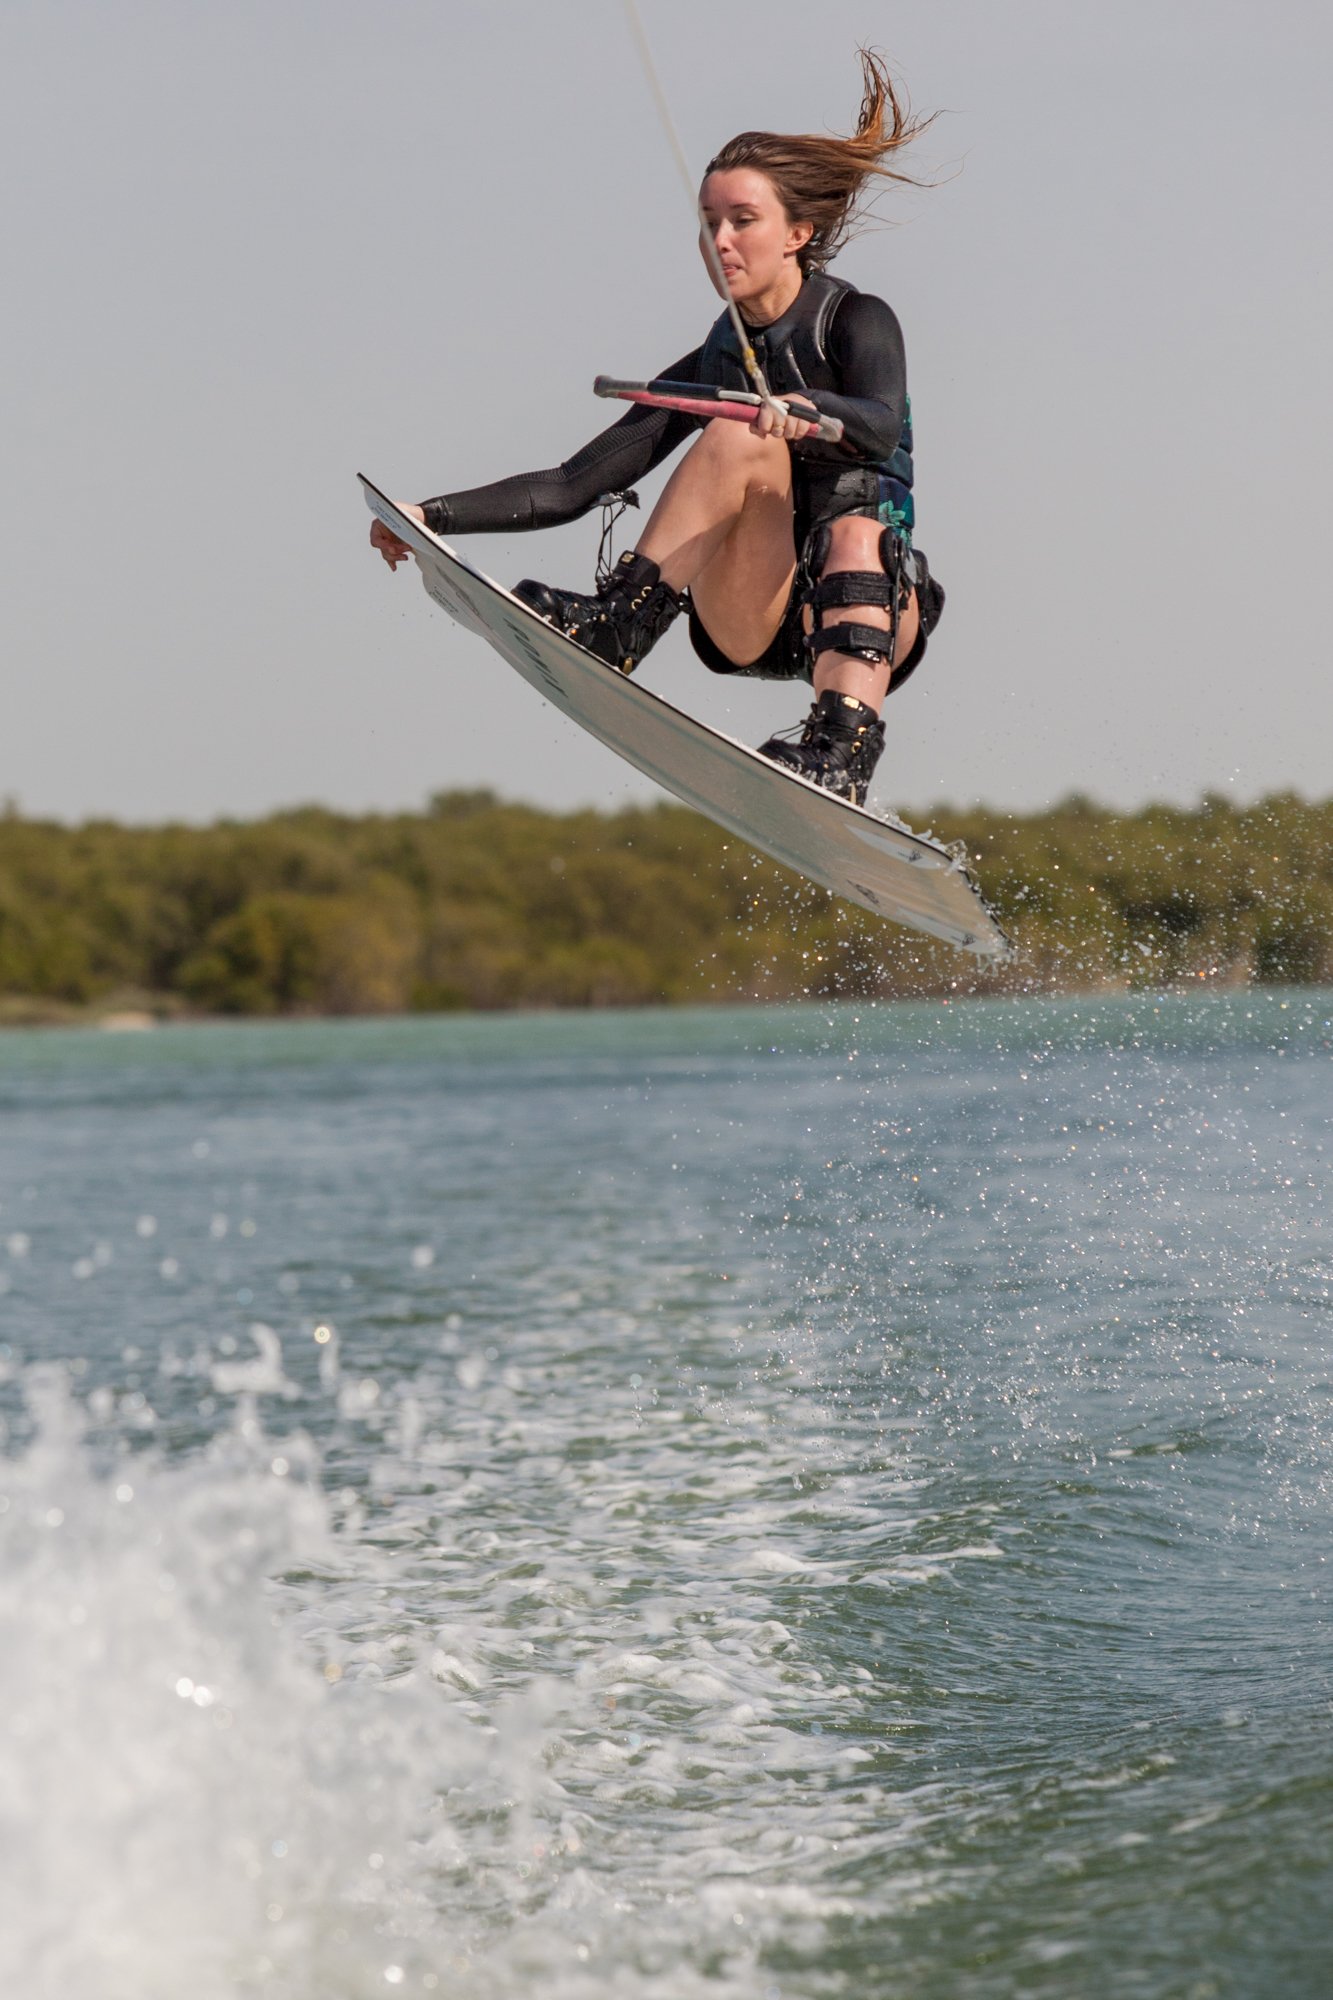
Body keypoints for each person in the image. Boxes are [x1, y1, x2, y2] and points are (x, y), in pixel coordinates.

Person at [370, 51, 945, 807]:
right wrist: (428, 518)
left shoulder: (858, 321)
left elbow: (874, 425)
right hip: (753, 613)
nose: (722, 242)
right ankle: (620, 626)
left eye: (743, 221)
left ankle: (840, 752)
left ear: (798, 233)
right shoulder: (716, 362)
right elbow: (575, 484)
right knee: (732, 432)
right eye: (709, 224)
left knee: (850, 526)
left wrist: (809, 415)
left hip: (865, 614)